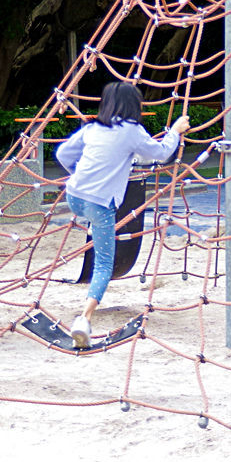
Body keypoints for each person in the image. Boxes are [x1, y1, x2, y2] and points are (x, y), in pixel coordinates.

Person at [54, 81, 189, 348]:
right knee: (104, 263)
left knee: (95, 220)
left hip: (73, 196)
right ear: (133, 105)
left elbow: (61, 153)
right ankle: (84, 319)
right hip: (100, 204)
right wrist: (174, 131)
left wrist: (80, 173)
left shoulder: (92, 127)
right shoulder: (132, 131)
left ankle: (92, 224)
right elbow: (161, 154)